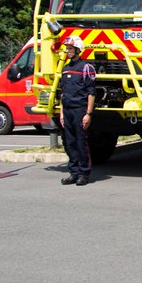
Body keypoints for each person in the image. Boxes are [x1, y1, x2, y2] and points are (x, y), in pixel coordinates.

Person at [58, 36, 96, 186]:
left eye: (70, 48)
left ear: (78, 50)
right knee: (69, 143)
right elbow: (62, 93)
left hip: (79, 110)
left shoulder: (86, 68)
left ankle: (83, 174)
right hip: (67, 110)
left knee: (81, 143)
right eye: (67, 48)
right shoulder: (65, 68)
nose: (67, 51)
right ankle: (73, 173)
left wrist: (88, 114)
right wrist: (61, 113)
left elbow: (91, 92)